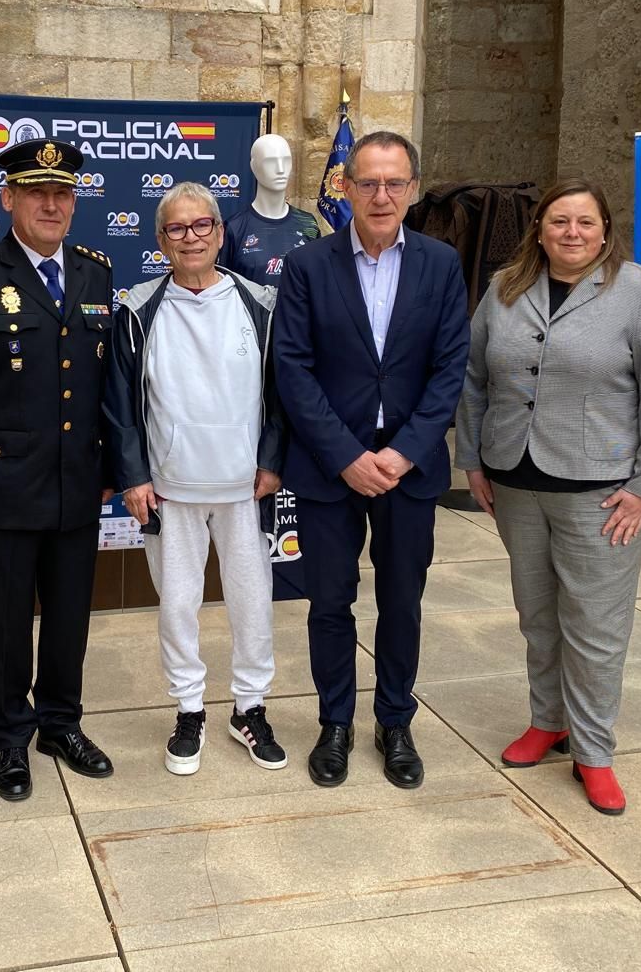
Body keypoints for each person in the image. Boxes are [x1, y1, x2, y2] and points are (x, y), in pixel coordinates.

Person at [454, 179, 641, 816]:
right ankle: (548, 721)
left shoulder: (640, 292)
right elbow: (474, 379)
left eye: (586, 222)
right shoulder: (506, 289)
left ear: (606, 231)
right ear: (540, 229)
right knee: (537, 614)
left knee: (596, 628)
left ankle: (594, 752)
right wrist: (472, 458)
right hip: (516, 480)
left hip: (602, 493)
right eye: (560, 221)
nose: (573, 233)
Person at [272, 131, 469, 790]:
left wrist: (405, 453)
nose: (381, 195)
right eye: (368, 182)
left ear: (411, 189)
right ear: (345, 187)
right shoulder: (307, 265)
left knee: (402, 602)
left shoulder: (442, 265)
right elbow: (292, 369)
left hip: (409, 471)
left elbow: (450, 370)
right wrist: (349, 455)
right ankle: (335, 722)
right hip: (331, 468)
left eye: (394, 183)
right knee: (330, 602)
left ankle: (395, 720)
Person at [0, 138, 116, 801]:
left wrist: (113, 468)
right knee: (6, 622)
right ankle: (10, 737)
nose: (52, 204)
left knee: (70, 616)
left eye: (63, 193)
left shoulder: (96, 271)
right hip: (5, 488)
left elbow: (107, 385)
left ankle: (60, 723)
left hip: (76, 481)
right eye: (38, 192)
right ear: (7, 197)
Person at [104, 181, 288, 776]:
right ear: (161, 240)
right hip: (169, 489)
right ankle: (189, 711)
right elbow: (121, 404)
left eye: (201, 225)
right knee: (177, 606)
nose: (191, 237)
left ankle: (250, 708)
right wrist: (132, 476)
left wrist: (271, 460)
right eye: (177, 228)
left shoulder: (260, 303)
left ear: (220, 231)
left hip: (244, 488)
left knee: (253, 603)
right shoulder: (137, 308)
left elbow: (281, 395)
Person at [218, 134, 320, 283]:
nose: (280, 169)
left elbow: (316, 281)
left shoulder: (308, 224)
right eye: (271, 162)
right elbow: (224, 288)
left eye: (286, 161)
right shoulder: (235, 228)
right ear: (254, 166)